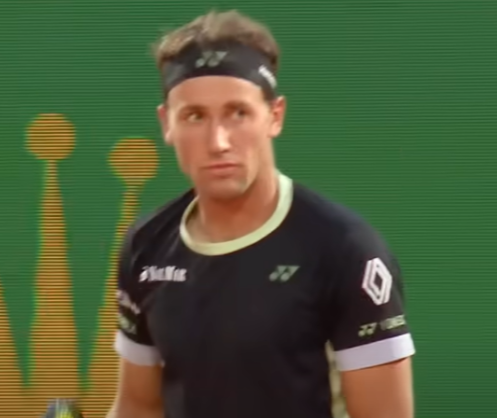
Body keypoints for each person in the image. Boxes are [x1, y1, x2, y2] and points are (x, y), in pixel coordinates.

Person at [107, 9, 415, 418]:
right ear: (167, 124)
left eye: (238, 113)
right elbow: (137, 406)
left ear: (275, 116)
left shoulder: (347, 250)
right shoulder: (146, 246)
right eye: (195, 116)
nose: (218, 141)